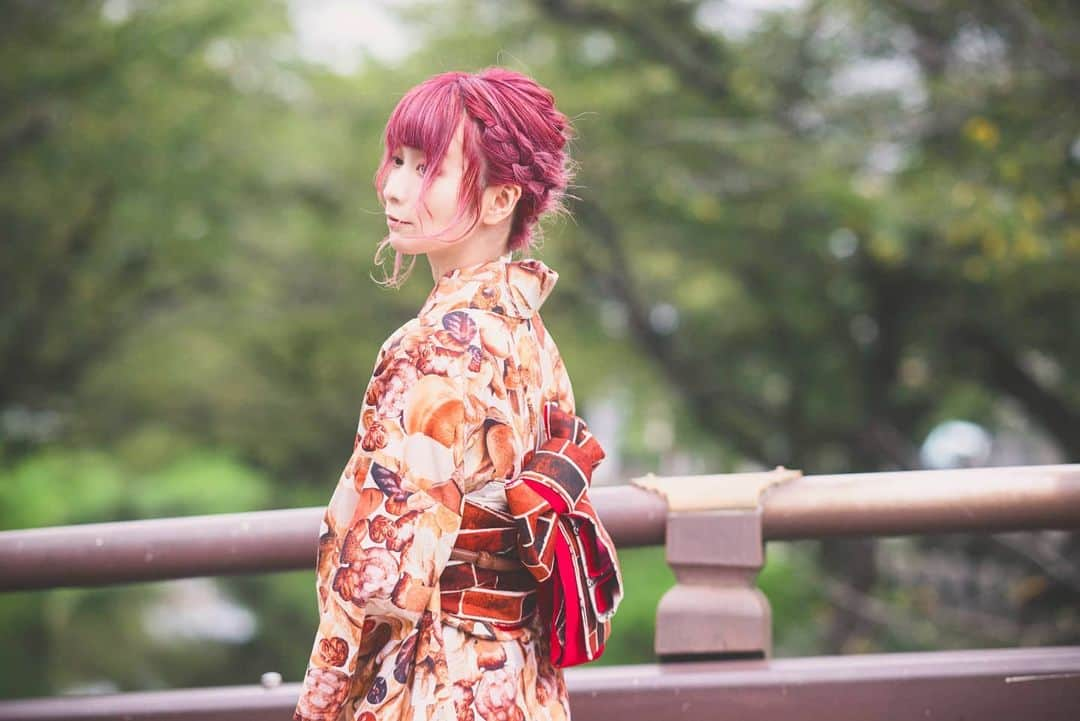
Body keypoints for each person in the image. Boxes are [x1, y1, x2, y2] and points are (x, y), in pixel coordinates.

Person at [292, 68, 622, 721]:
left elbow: (381, 575)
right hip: (521, 684)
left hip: (438, 683)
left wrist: (322, 701)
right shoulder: (526, 331)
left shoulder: (436, 345)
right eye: (398, 161)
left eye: (429, 171)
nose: (395, 187)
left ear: (502, 199)